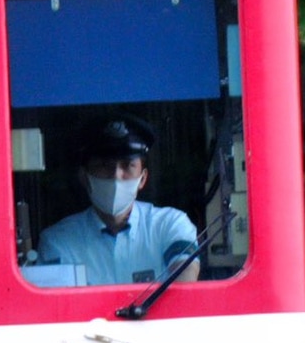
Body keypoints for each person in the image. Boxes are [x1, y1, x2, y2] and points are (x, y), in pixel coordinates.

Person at [37, 118, 200, 286]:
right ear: (84, 177)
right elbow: (59, 307)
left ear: (142, 179)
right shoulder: (58, 241)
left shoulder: (170, 224)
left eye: (127, 166)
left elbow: (185, 278)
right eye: (104, 165)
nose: (116, 176)